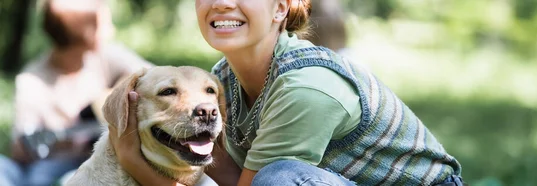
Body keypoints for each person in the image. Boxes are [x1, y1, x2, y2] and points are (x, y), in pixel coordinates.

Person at [111, 0, 465, 185]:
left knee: (280, 179)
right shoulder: (221, 78)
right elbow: (234, 179)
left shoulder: (304, 86)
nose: (221, 3)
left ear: (280, 7)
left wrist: (133, 162)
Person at [0, 0, 152, 185]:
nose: (110, 29)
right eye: (103, 23)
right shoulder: (32, 80)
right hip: (53, 166)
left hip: (106, 159)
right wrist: (65, 142)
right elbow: (20, 149)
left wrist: (121, 93)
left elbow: (155, 76)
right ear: (85, 32)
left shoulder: (107, 55)